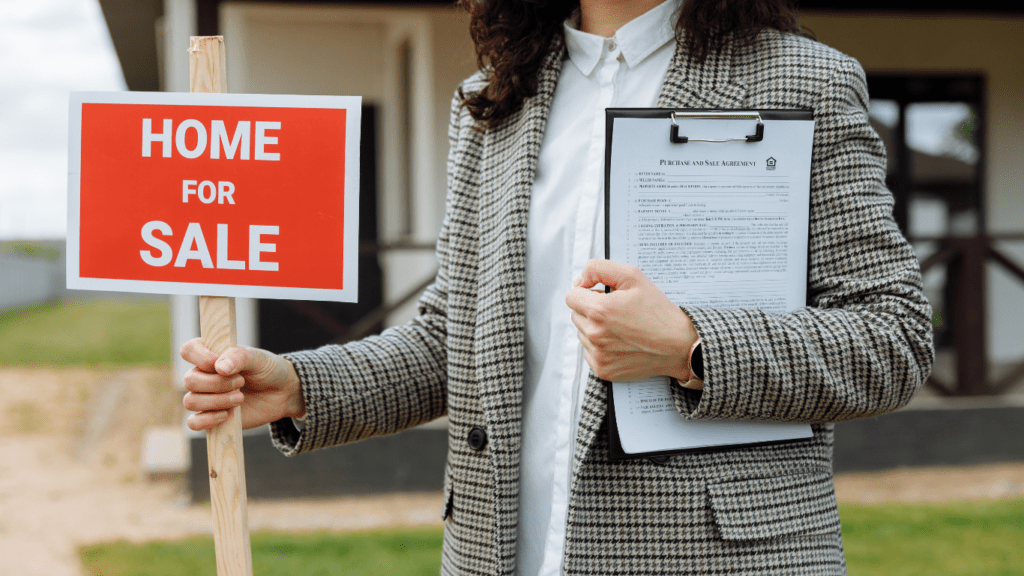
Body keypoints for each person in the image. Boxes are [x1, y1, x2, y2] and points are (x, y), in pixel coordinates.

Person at [181, 0, 934, 573]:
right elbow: (457, 338)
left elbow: (891, 335)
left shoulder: (804, 79)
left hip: (717, 554)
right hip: (501, 550)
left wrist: (690, 346)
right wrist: (300, 384)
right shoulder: (491, 101)